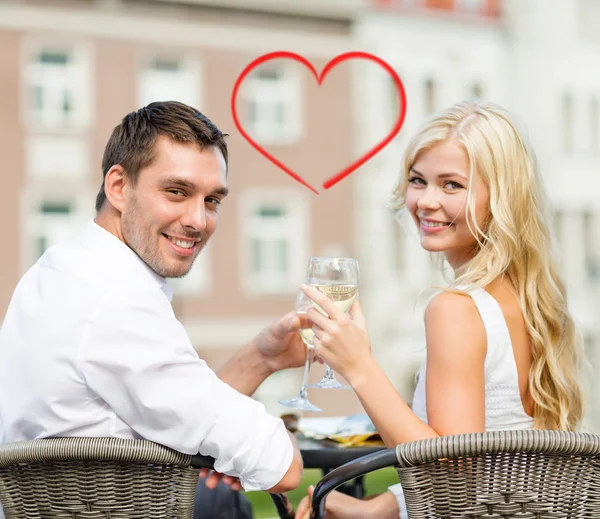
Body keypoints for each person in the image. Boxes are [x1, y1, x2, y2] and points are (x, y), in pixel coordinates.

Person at [0, 101, 306, 519]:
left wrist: (262, 357)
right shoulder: (117, 299)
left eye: (212, 200)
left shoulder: (57, 269)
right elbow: (282, 468)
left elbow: (171, 404)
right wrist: (274, 437)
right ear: (119, 187)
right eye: (177, 192)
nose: (198, 220)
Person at [295, 100, 588, 519]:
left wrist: (359, 366)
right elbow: (493, 468)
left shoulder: (455, 309)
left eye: (452, 185)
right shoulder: (527, 300)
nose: (427, 201)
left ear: (501, 198)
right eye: (418, 180)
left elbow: (450, 470)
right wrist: (379, 508)